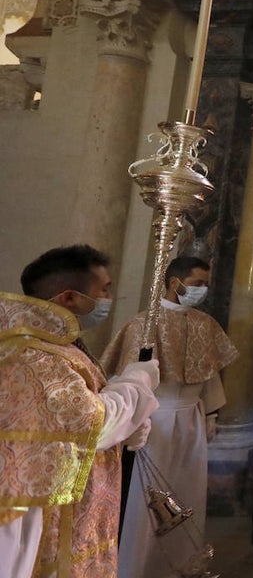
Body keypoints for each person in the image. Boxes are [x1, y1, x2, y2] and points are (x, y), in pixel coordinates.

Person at [1, 245, 159, 578]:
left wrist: (128, 421)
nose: (110, 298)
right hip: (29, 511)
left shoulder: (54, 345)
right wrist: (136, 383)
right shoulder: (33, 353)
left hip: (54, 499)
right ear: (70, 298)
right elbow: (92, 423)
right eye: (105, 289)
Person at [101, 255, 238, 578]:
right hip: (155, 419)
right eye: (196, 284)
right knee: (149, 495)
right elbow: (127, 378)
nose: (202, 290)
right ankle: (140, 566)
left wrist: (213, 415)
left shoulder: (206, 324)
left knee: (187, 489)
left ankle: (184, 562)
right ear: (175, 283)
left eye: (206, 284)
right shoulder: (143, 324)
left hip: (192, 416)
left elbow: (209, 374)